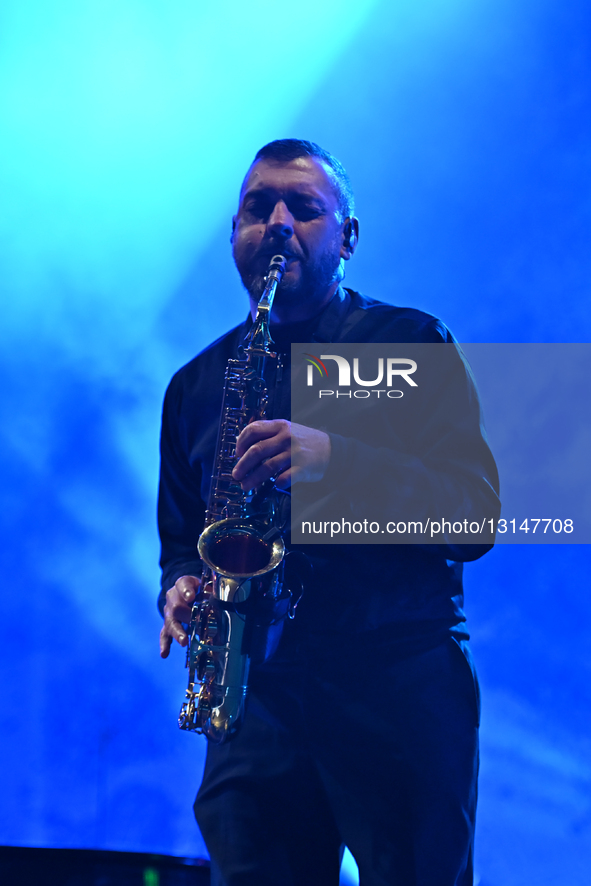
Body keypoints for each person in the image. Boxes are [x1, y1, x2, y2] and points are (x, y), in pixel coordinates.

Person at [157, 139, 500, 886]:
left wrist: (337, 459)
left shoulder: (407, 343)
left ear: (346, 238)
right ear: (233, 236)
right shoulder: (194, 385)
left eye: (304, 209)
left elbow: (472, 514)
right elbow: (183, 543)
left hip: (393, 691)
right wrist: (181, 585)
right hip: (256, 701)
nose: (277, 224)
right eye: (258, 208)